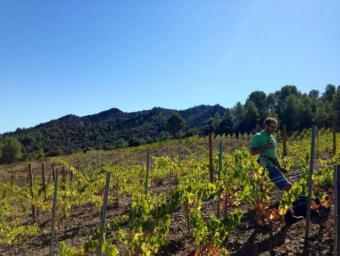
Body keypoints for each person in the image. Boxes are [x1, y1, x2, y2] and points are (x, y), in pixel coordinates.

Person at [250, 117, 292, 191]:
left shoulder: (272, 137)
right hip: (262, 165)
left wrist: (280, 167)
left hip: (272, 165)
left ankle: (287, 201)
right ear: (266, 125)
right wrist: (265, 147)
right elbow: (252, 152)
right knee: (263, 189)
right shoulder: (258, 136)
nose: (274, 130)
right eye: (272, 127)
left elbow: (273, 154)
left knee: (287, 186)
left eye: (275, 128)